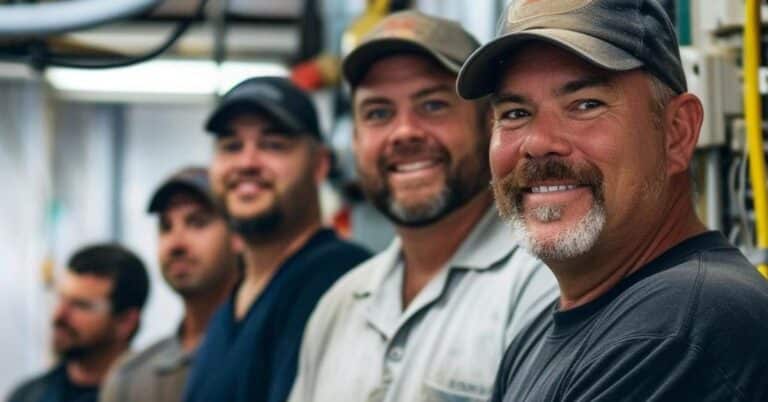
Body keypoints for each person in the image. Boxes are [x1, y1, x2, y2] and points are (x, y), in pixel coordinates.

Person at [456, 0, 768, 401]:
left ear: (676, 132)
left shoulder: (679, 331)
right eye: (515, 113)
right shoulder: (538, 337)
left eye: (585, 105)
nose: (538, 143)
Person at [289, 11, 557, 402]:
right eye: (378, 113)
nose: (405, 132)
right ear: (357, 139)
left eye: (432, 105)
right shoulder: (339, 306)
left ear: (491, 124)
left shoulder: (542, 284)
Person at [182, 76, 372, 402]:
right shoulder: (228, 310)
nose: (247, 163)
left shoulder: (342, 282)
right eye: (231, 146)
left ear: (320, 165)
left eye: (273, 145)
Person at [99, 167, 240, 402]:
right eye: (166, 226)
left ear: (237, 236)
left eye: (197, 223)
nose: (176, 243)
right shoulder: (131, 378)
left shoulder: (266, 353)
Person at [9, 244, 150, 402]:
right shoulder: (27, 396)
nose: (58, 315)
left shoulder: (156, 395)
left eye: (80, 305)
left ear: (125, 322)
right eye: (61, 298)